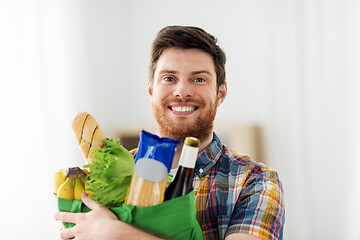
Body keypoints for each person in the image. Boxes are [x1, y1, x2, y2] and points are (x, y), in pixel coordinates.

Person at [55, 25, 285, 240]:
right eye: (169, 78)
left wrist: (115, 231)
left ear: (220, 93)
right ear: (151, 90)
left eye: (198, 79)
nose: (182, 91)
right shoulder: (104, 177)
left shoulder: (254, 181)